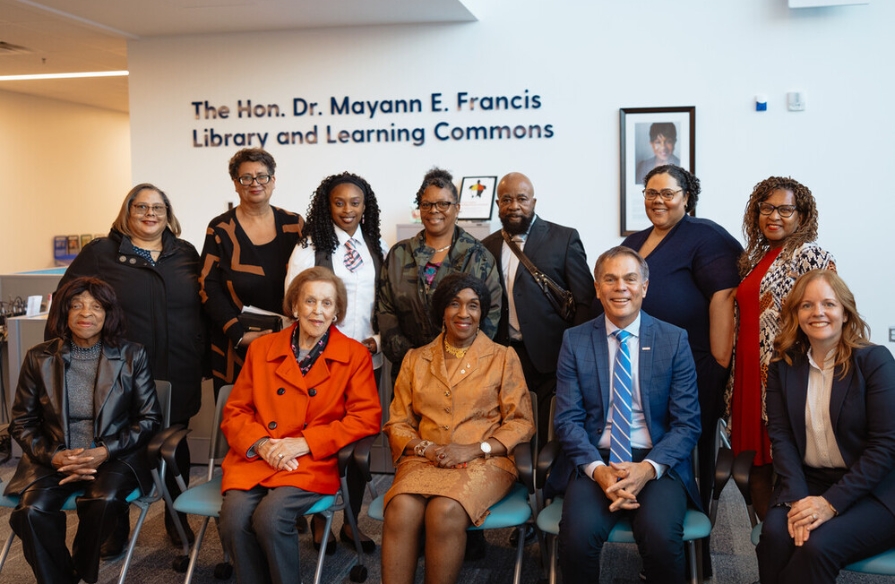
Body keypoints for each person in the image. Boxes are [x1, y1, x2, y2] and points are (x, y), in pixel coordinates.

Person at [53, 182, 205, 546]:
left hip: (178, 367)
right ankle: (112, 527)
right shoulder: (101, 253)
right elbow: (66, 298)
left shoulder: (185, 252)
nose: (150, 214)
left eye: (158, 208)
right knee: (115, 445)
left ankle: (176, 517)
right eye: (141, 208)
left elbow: (204, 305)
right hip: (118, 372)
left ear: (168, 215)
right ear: (127, 212)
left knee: (174, 445)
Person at [218, 266, 382, 584]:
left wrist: (305, 442)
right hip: (259, 455)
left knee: (270, 517)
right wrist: (262, 444)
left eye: (326, 303)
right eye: (309, 301)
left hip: (310, 459)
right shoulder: (262, 349)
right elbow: (236, 411)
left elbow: (365, 418)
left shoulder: (354, 356)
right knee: (234, 518)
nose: (317, 311)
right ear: (295, 306)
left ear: (336, 312)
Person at [553, 246, 701, 584]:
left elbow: (687, 423)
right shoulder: (575, 341)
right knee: (576, 541)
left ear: (644, 287)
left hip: (656, 460)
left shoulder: (673, 340)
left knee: (662, 540)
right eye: (611, 279)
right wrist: (599, 472)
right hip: (597, 460)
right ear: (597, 288)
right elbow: (567, 421)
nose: (621, 287)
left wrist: (647, 470)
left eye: (630, 279)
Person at [6, 276, 162, 584]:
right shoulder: (39, 357)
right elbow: (22, 422)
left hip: (113, 456)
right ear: (63, 313)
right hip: (53, 456)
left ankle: (78, 566)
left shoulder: (132, 355)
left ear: (108, 314)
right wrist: (57, 457)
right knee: (30, 512)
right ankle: (63, 578)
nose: (85, 313)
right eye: (75, 305)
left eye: (95, 306)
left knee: (102, 501)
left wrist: (102, 452)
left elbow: (148, 419)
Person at [381, 273, 535, 584]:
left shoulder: (503, 358)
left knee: (444, 511)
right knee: (399, 508)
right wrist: (426, 448)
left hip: (484, 461)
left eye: (473, 306)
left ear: (482, 313)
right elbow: (397, 421)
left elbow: (521, 421)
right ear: (442, 310)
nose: (464, 313)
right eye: (454, 304)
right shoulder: (415, 359)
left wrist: (475, 448)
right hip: (426, 458)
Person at [620, 165, 741, 529]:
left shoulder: (705, 237)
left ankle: (691, 549)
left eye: (668, 193)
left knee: (690, 459)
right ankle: (648, 528)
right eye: (651, 193)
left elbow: (725, 298)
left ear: (686, 197)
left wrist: (717, 366)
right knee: (648, 447)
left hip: (693, 368)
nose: (658, 201)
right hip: (637, 368)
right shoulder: (634, 241)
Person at [756, 270, 895, 583]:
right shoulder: (783, 366)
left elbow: (886, 446)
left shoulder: (875, 361)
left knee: (817, 548)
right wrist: (800, 498)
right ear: (796, 315)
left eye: (828, 304)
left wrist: (831, 504)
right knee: (776, 538)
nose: (818, 312)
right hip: (809, 482)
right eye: (807, 305)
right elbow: (781, 437)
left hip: (876, 490)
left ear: (845, 313)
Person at [284, 171, 386, 553]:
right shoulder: (311, 246)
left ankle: (350, 523)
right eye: (339, 202)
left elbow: (386, 305)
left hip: (364, 365)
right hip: (320, 367)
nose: (347, 209)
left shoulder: (376, 244)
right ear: (327, 206)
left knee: (357, 447)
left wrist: (378, 340)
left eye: (355, 202)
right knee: (320, 442)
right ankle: (317, 518)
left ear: (365, 206)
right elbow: (294, 304)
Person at [730, 176, 836, 520]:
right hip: (747, 377)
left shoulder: (810, 255)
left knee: (788, 463)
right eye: (766, 208)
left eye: (785, 209)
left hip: (785, 375)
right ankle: (769, 542)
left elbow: (830, 317)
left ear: (801, 216)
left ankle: (798, 540)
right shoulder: (754, 258)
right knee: (755, 468)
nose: (774, 216)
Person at [482, 171, 594, 447]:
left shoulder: (564, 238)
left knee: (548, 429)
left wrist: (574, 351)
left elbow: (586, 300)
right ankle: (515, 481)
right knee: (509, 426)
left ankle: (545, 482)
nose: (514, 206)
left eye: (522, 199)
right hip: (505, 354)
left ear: (534, 201)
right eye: (506, 199)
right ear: (498, 204)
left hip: (552, 355)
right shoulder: (486, 247)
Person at [378, 167, 502, 378]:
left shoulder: (478, 256)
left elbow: (491, 314)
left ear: (457, 208)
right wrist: (415, 359)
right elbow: (385, 312)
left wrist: (456, 359)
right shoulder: (399, 254)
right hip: (410, 371)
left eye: (443, 203)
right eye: (427, 204)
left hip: (464, 373)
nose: (434, 210)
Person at [200, 147, 303, 395]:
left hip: (289, 341)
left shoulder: (294, 225)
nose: (254, 183)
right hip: (236, 343)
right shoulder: (220, 228)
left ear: (273, 181)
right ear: (235, 184)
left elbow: (310, 280)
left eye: (262, 176)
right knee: (239, 419)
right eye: (246, 178)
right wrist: (238, 334)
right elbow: (207, 286)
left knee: (286, 416)